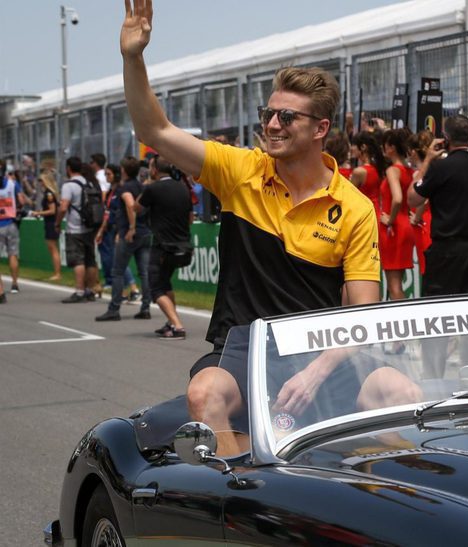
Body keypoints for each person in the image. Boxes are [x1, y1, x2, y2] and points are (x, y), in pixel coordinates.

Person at [121, 0, 388, 455]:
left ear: (321, 127)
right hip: (245, 346)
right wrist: (133, 56)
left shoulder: (355, 207)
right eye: (269, 113)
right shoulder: (239, 169)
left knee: (395, 389)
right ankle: (242, 501)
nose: (272, 124)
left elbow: (361, 316)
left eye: (287, 117)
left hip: (318, 353)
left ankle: (390, 503)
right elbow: (155, 129)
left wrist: (315, 371)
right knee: (204, 394)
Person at [407, 115, 468, 296]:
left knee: (439, 306)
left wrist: (427, 161)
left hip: (447, 251)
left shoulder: (440, 168)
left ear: (446, 139)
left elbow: (412, 198)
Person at [135, 155, 194, 338]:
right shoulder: (183, 188)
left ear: (154, 170)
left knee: (156, 288)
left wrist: (147, 186)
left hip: (162, 245)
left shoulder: (153, 188)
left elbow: (136, 207)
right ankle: (171, 321)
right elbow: (191, 218)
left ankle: (177, 326)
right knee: (165, 283)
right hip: (183, 245)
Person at [95, 156, 153, 321]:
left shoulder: (124, 188)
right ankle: (146, 307)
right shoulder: (140, 186)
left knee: (117, 271)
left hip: (131, 234)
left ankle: (114, 309)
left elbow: (129, 204)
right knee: (144, 272)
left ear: (123, 170)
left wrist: (131, 227)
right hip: (145, 232)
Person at [56, 157, 102, 303]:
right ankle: (90, 290)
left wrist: (57, 223)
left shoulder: (68, 185)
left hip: (75, 227)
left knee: (78, 260)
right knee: (90, 260)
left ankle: (79, 291)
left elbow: (63, 207)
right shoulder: (88, 182)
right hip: (89, 226)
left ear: (68, 168)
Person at [379, 128, 416, 301]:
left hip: (393, 229)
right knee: (396, 283)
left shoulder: (393, 170)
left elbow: (398, 198)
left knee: (394, 287)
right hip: (406, 226)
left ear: (391, 147)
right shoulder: (409, 171)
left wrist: (389, 220)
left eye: (385, 145)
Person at [407, 130, 434, 278]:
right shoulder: (433, 169)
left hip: (424, 223)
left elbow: (424, 197)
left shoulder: (420, 174)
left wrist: (416, 217)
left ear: (414, 152)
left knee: (427, 271)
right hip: (426, 222)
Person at [0, 167, 28, 301]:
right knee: (13, 254)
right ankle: (15, 283)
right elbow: (22, 201)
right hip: (11, 222)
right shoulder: (12, 183)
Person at [30, 171, 62, 281]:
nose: (40, 184)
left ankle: (57, 273)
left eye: (42, 181)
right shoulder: (50, 193)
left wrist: (38, 213)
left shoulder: (49, 194)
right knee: (52, 248)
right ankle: (57, 272)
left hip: (51, 223)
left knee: (53, 249)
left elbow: (52, 210)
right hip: (51, 222)